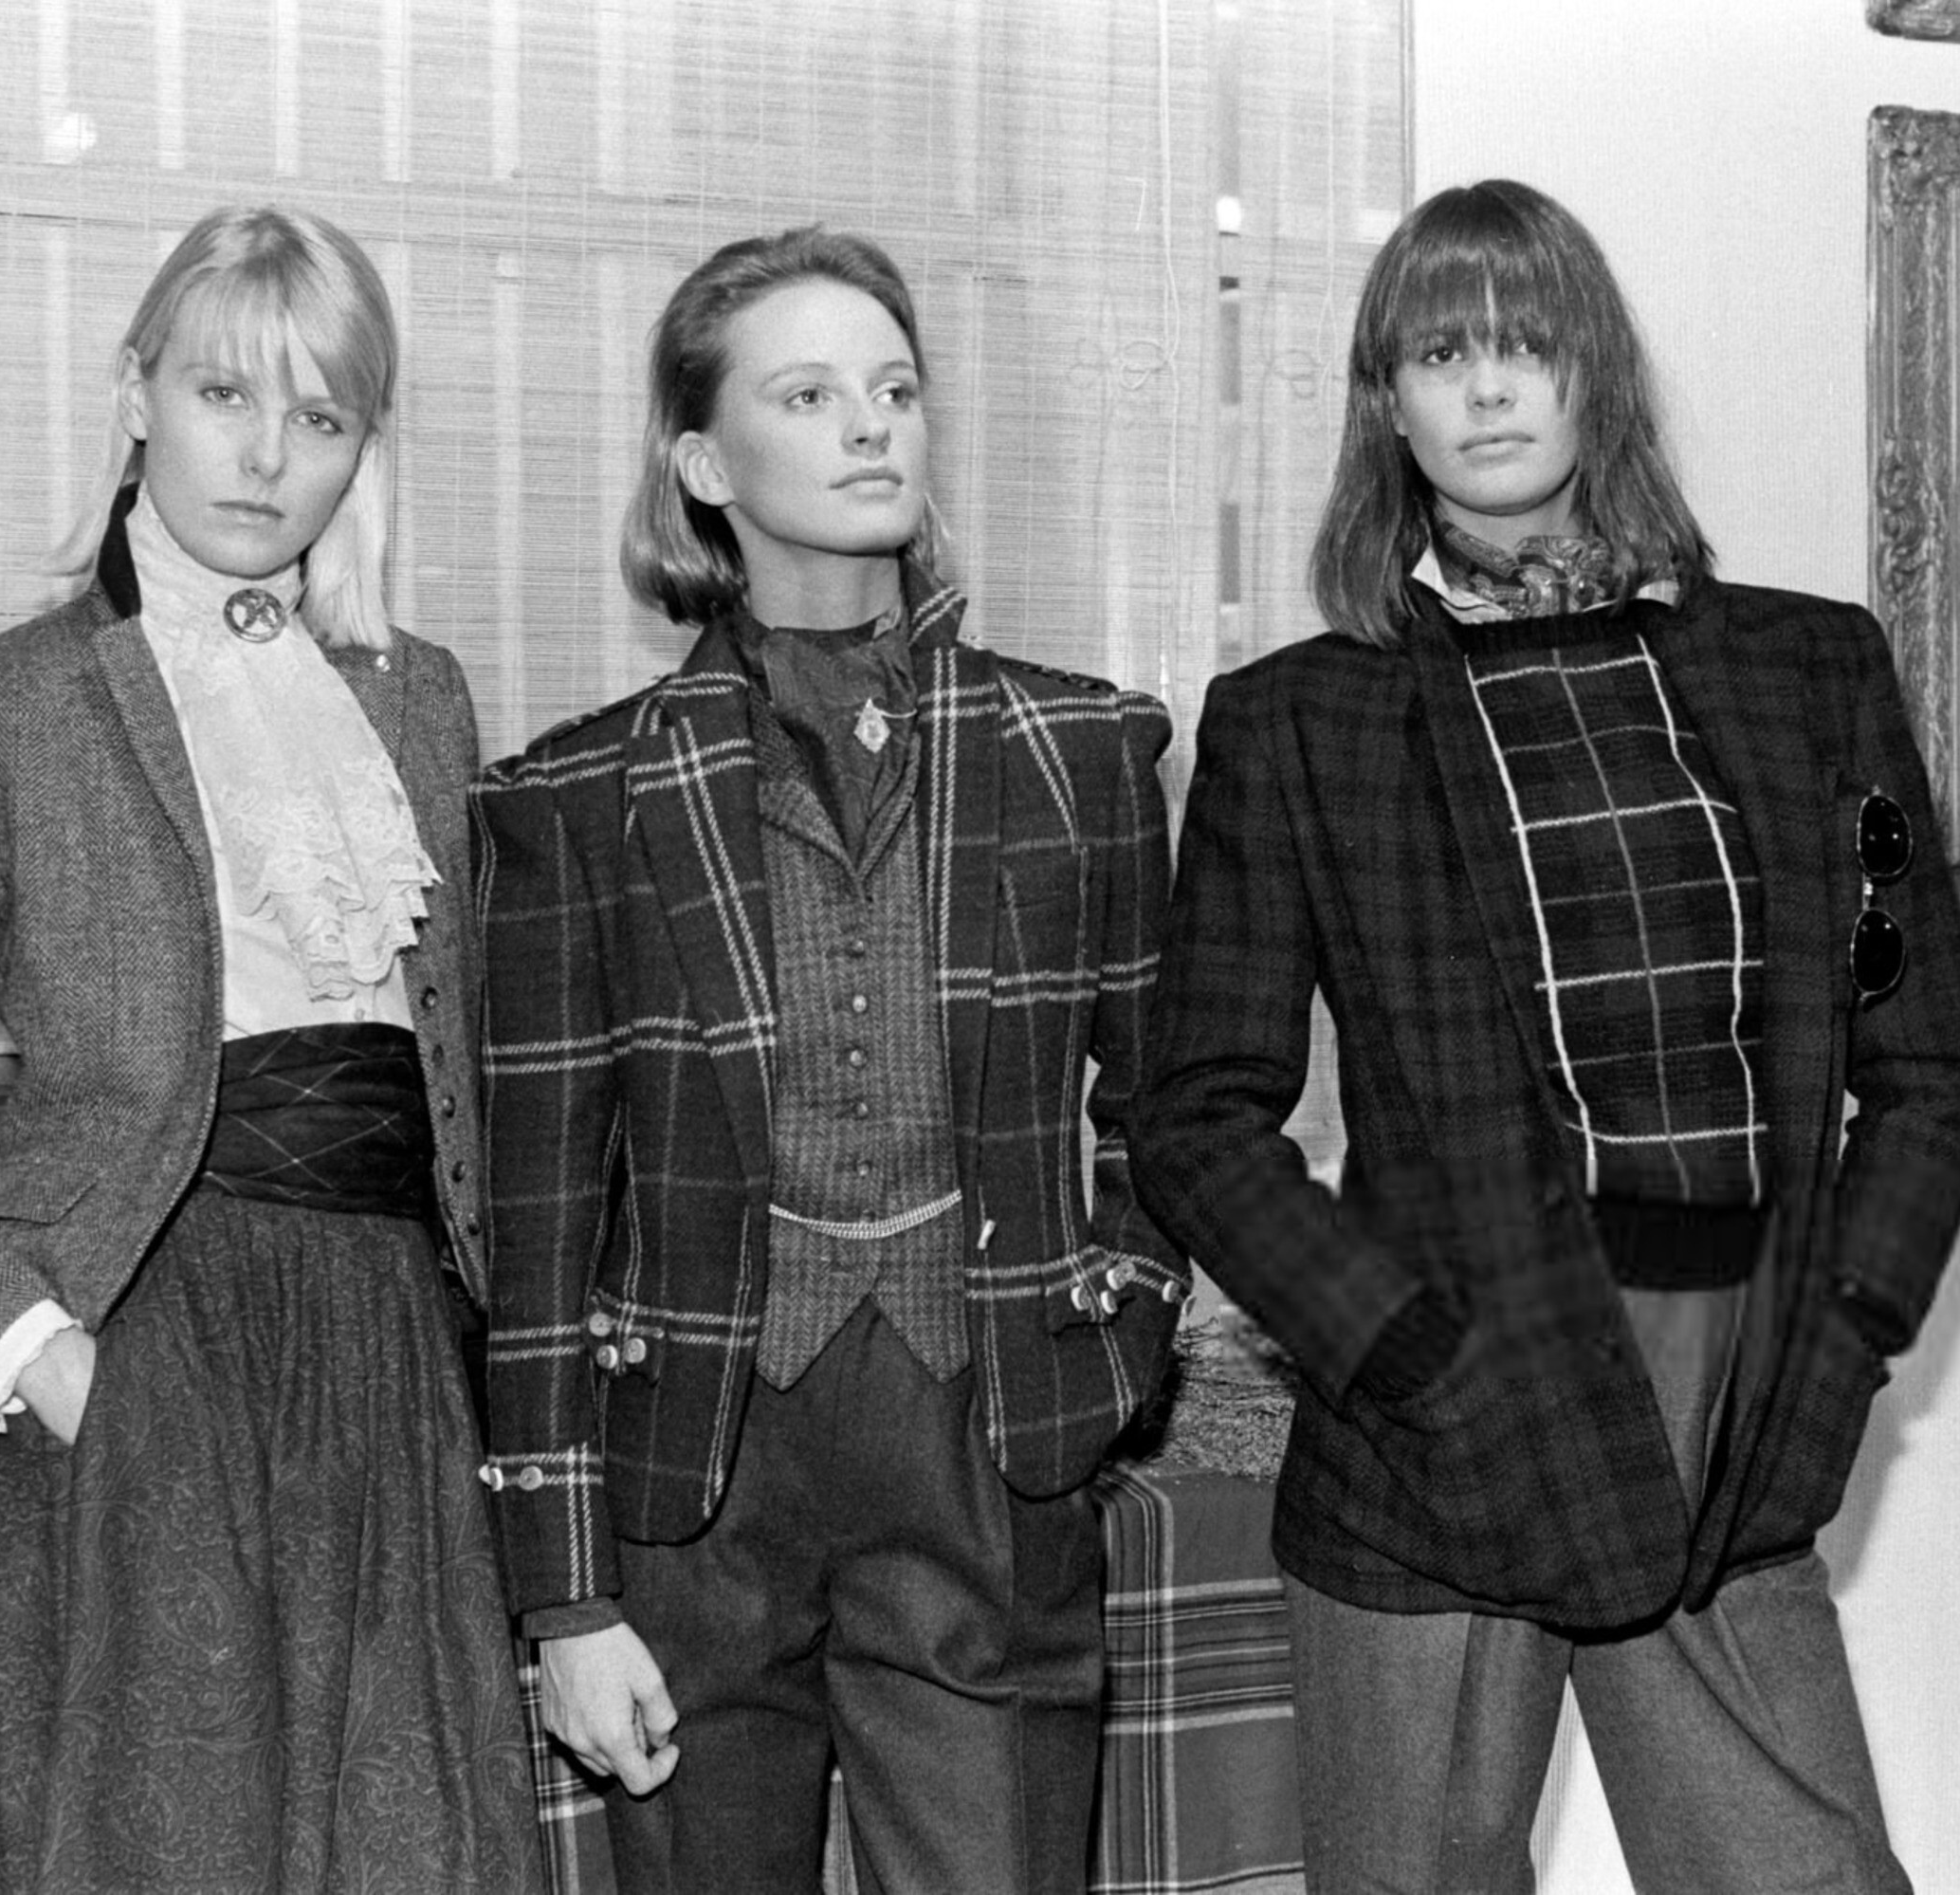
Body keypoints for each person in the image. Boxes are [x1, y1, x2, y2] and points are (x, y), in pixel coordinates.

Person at [1130, 179, 1960, 1894]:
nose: (1487, 387)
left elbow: (1932, 1069)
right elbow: (1196, 1120)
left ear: (1594, 371)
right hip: (1440, 1426)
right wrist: (1405, 1356)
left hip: (1728, 1409)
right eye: (1438, 353)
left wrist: (1837, 1347)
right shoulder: (1296, 723)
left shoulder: (1813, 675)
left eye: (1525, 343)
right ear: (1387, 405)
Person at [0, 206, 540, 1894]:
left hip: (384, 1369)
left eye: (319, 415)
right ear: (135, 394)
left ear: (363, 447)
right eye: (222, 394)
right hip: (129, 1371)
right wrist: (40, 1357)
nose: (266, 457)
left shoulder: (420, 702)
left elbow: (467, 1091)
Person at [475, 225, 1186, 1894]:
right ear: (704, 464)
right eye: (807, 395)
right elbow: (538, 1225)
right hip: (691, 1481)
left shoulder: (1085, 753)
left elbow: (1161, 1108)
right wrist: (565, 1593)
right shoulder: (576, 800)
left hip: (991, 1438)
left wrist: (1118, 1336)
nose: (871, 425)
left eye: (895, 389)